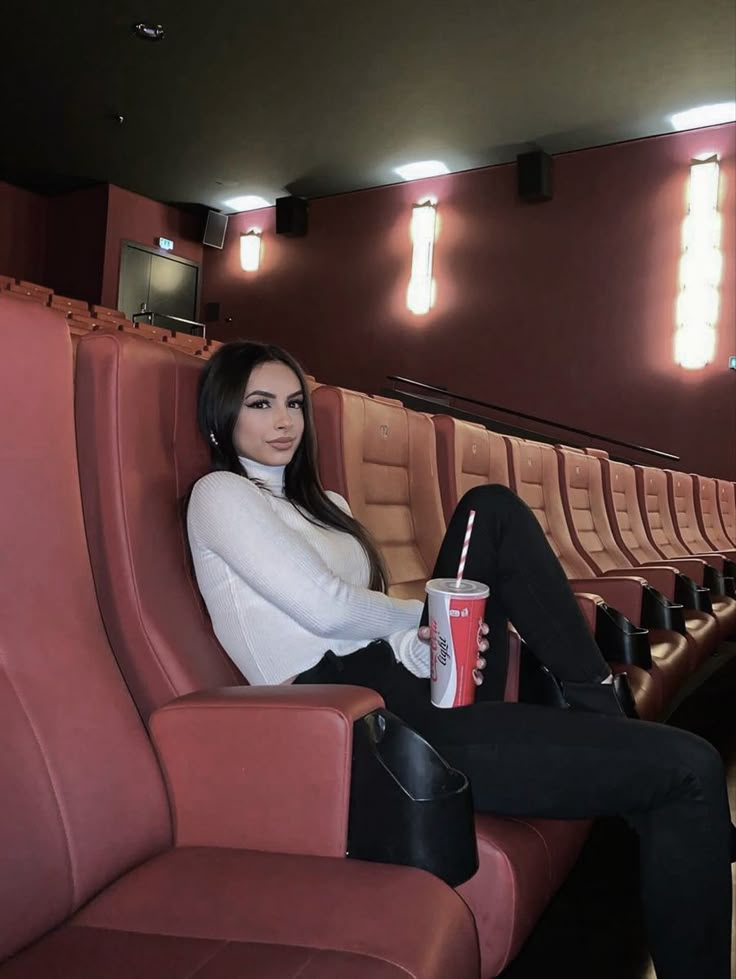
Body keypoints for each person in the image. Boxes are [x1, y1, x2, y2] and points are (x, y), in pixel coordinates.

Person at [187, 340, 733, 979]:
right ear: (223, 415)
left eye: (294, 404)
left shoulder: (327, 506)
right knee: (691, 768)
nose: (285, 422)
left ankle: (598, 700)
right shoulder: (220, 495)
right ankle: (603, 708)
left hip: (411, 689)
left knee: (491, 508)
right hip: (362, 727)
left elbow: (371, 615)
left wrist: (419, 645)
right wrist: (422, 622)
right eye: (260, 404)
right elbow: (328, 611)